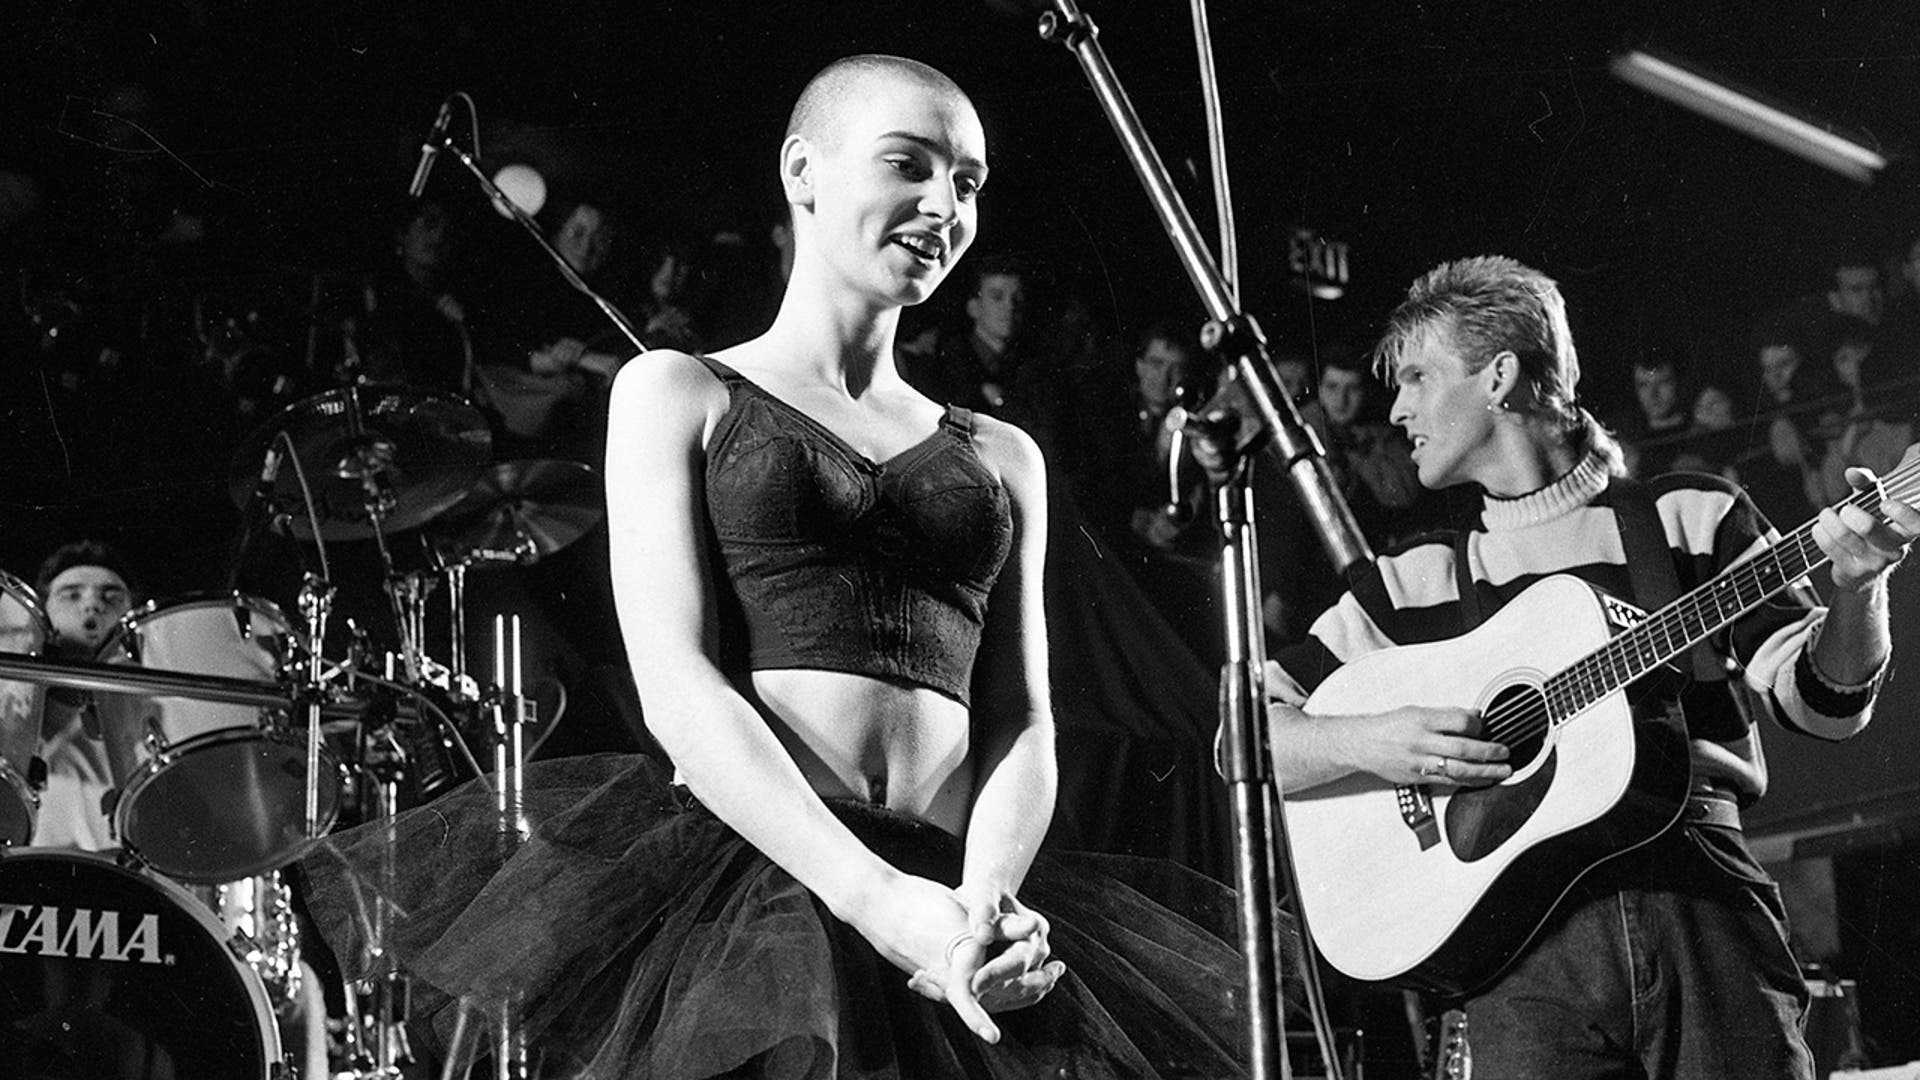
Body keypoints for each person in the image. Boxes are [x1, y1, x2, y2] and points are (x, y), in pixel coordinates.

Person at [303, 55, 1249, 1079]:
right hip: (761, 888)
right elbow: (676, 685)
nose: (944, 204)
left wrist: (983, 910)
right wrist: (876, 901)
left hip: (953, 904)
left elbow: (1025, 717)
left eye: (967, 183)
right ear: (804, 170)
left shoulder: (1005, 454)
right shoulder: (678, 392)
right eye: (909, 164)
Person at [1258, 256, 1916, 1079]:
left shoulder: (1689, 516)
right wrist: (1376, 742)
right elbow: (1245, 738)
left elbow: (1824, 705)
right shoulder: (1407, 583)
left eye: (1419, 377)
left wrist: (1860, 589)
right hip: (1519, 958)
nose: (1397, 409)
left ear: (1499, 375)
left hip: (1702, 915)